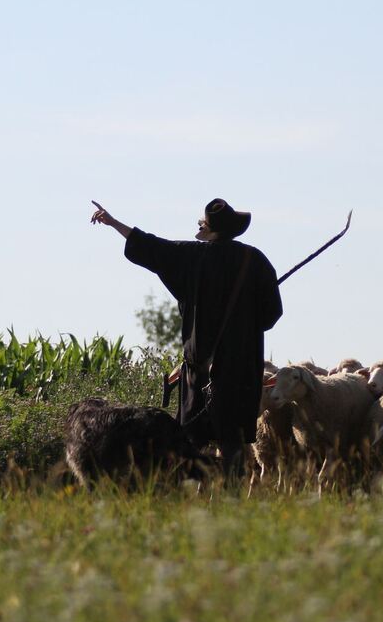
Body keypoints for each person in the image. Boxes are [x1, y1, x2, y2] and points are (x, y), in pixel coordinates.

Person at [90, 198, 283, 478]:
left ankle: (191, 497)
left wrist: (112, 222)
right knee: (232, 443)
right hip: (240, 372)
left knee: (192, 441)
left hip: (199, 372)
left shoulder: (191, 257)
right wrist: (244, 321)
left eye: (200, 223)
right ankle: (233, 501)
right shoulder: (255, 261)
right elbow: (271, 315)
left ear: (209, 229)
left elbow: (149, 246)